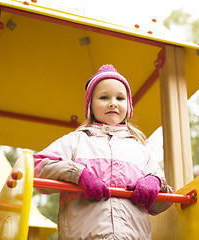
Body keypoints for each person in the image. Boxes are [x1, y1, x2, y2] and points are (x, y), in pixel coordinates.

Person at [34, 64, 174, 239]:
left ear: (128, 106)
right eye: (104, 97)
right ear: (90, 106)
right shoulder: (76, 141)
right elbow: (38, 169)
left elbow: (162, 204)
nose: (113, 103)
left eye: (120, 98)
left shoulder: (139, 149)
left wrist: (155, 183)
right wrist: (77, 174)